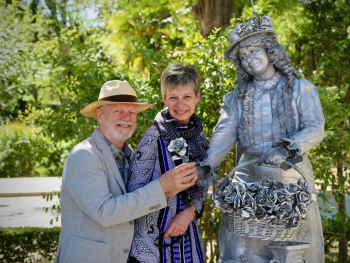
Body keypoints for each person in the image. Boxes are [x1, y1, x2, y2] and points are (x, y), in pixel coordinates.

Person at [201, 15, 325, 262]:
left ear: (270, 51)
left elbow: (316, 128)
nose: (249, 59)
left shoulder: (302, 88)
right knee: (242, 251)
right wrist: (206, 165)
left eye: (253, 50)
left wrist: (287, 149)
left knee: (293, 252)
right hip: (248, 183)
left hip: (293, 182)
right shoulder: (236, 97)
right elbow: (224, 132)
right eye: (243, 56)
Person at [54, 80, 198, 263]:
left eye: (131, 112)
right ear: (100, 115)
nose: (126, 118)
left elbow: (137, 207)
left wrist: (190, 210)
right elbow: (105, 212)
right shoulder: (84, 155)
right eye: (118, 111)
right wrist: (161, 188)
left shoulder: (132, 157)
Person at [126, 64, 208, 263]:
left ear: (197, 97)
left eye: (187, 97)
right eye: (173, 98)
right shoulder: (153, 137)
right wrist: (163, 189)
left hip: (188, 237)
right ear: (164, 99)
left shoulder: (198, 137)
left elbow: (204, 183)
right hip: (155, 245)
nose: (180, 104)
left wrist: (190, 212)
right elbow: (133, 192)